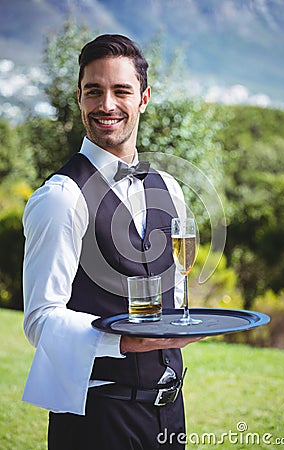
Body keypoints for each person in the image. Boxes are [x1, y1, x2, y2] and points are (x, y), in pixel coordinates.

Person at [22, 34, 202, 450]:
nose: (106, 105)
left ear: (144, 98)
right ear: (80, 98)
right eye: (93, 91)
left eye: (121, 90)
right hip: (96, 417)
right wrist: (120, 340)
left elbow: (175, 293)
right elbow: (40, 319)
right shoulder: (60, 198)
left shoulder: (170, 188)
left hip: (170, 412)